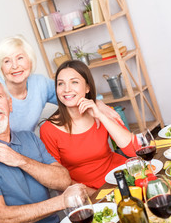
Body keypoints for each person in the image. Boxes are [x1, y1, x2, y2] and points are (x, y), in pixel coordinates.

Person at [0, 35, 121, 169]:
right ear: (1, 67)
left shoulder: (40, 84)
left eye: (20, 58)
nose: (14, 66)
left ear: (30, 61)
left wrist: (98, 105)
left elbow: (70, 95)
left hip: (26, 151)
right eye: (7, 61)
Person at [0, 77, 83, 223]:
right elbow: (2, 218)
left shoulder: (29, 138)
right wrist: (61, 202)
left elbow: (63, 180)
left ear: (10, 104)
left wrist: (20, 160)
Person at [39, 60, 135, 195]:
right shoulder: (49, 129)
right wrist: (95, 195)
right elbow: (58, 179)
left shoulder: (101, 111)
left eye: (74, 82)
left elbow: (133, 150)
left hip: (122, 177)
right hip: (89, 193)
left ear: (87, 87)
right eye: (61, 83)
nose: (67, 89)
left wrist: (101, 115)